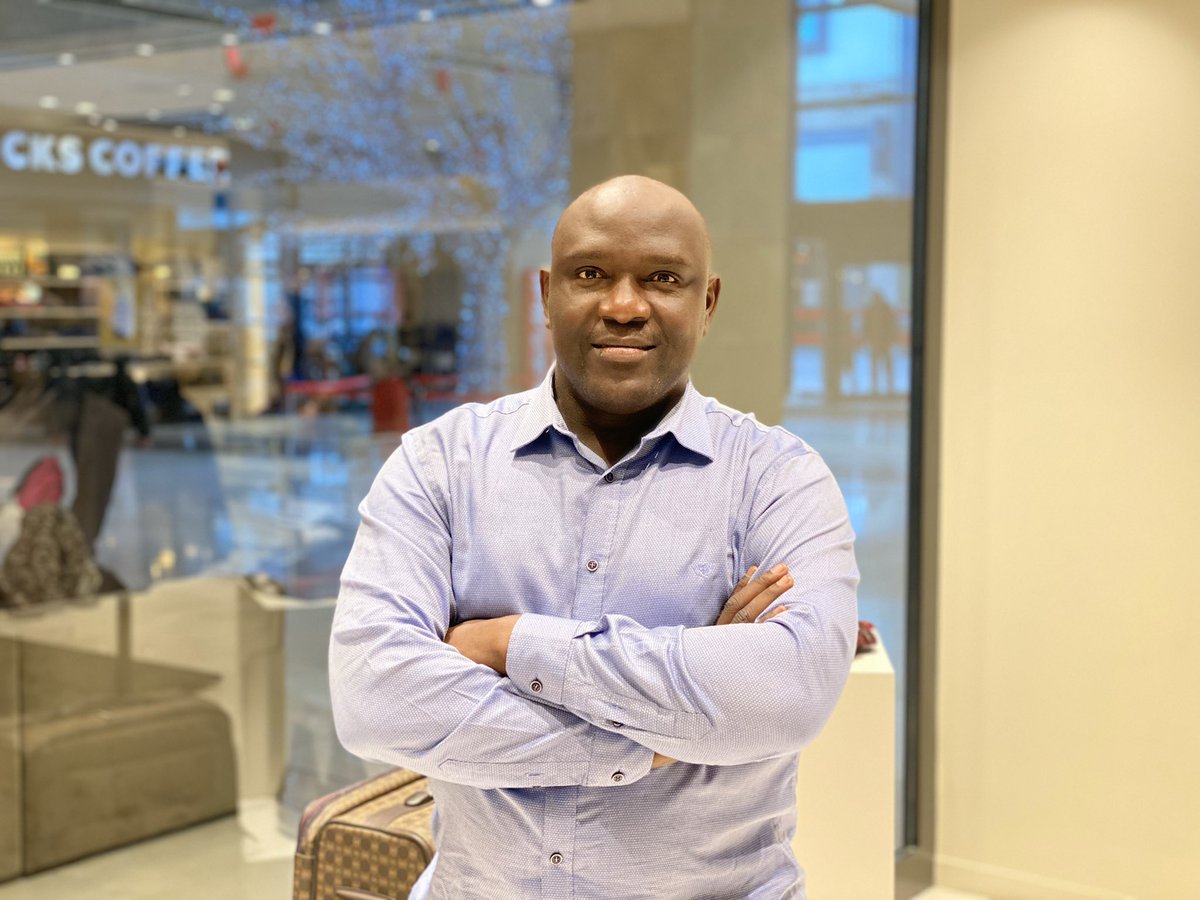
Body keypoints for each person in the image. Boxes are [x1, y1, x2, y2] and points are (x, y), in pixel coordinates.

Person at [329, 175, 859, 899]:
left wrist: (508, 645)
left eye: (663, 278)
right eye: (590, 274)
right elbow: (376, 698)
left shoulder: (778, 478)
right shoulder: (439, 464)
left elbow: (789, 692)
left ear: (707, 303)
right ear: (547, 295)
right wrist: (660, 731)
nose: (624, 306)